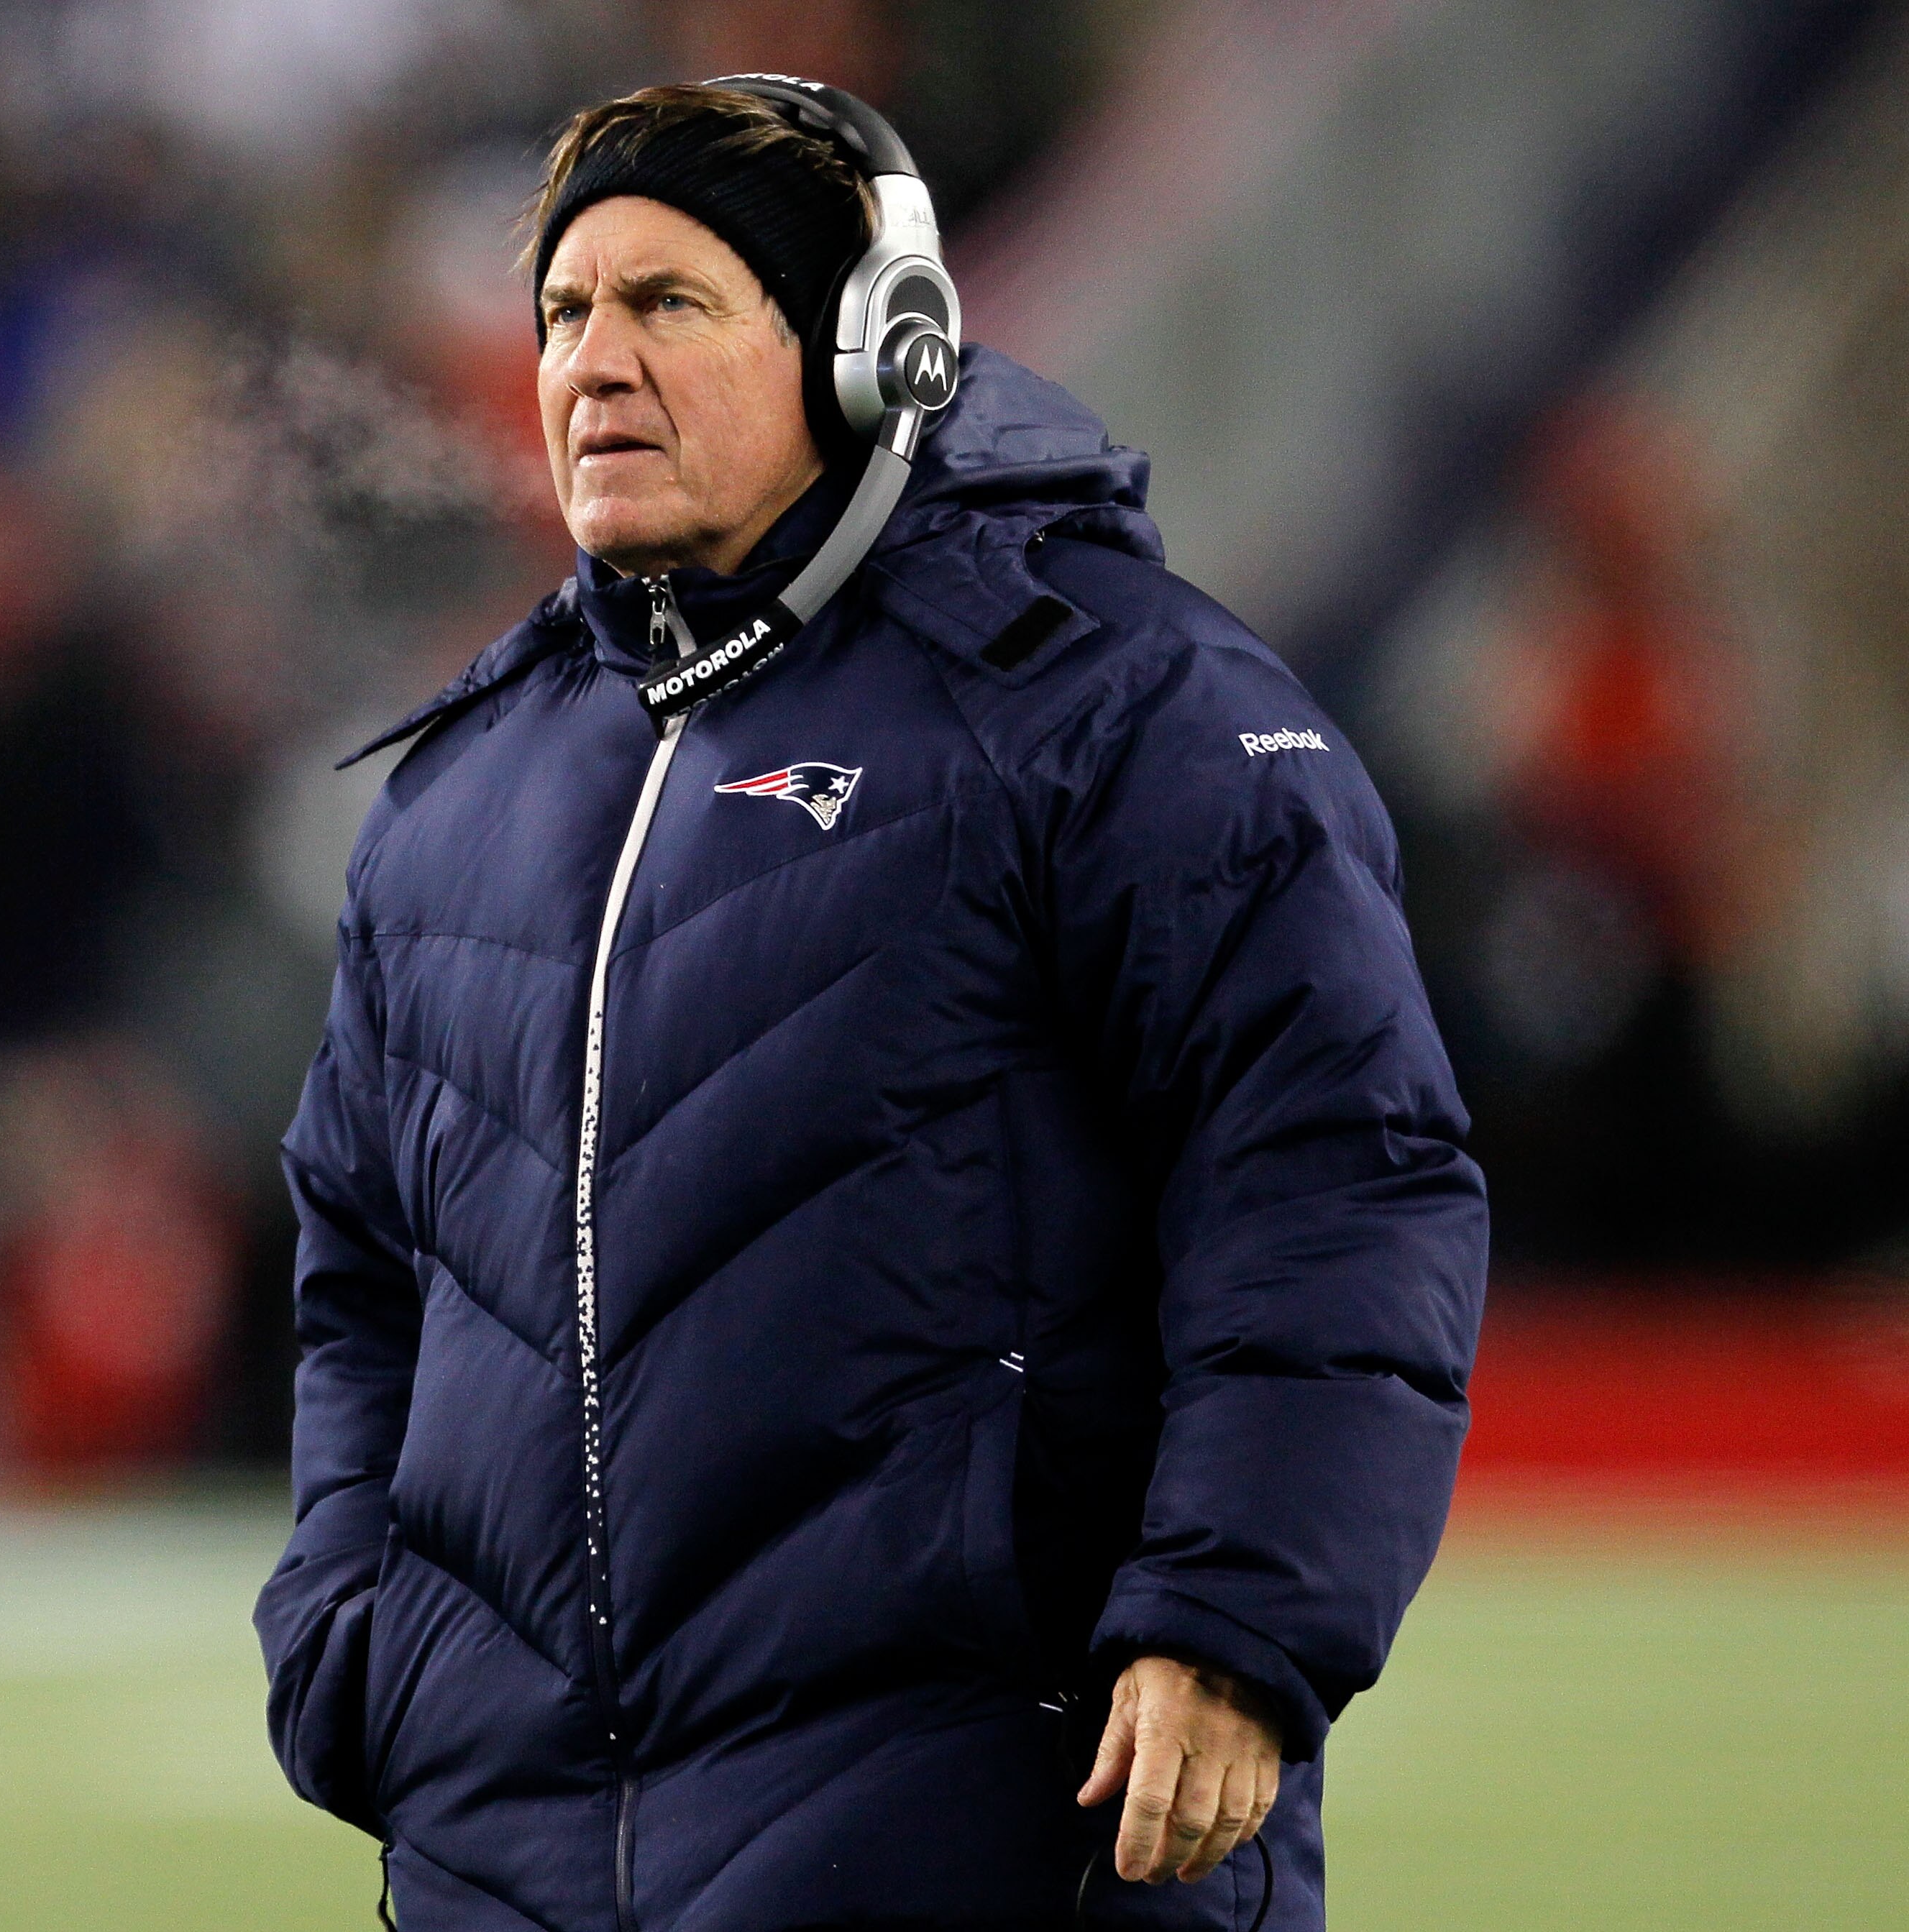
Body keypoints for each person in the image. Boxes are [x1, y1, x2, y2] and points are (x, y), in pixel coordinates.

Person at [257, 81, 1485, 1931]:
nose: (590, 359)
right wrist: (361, 1645)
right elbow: (360, 1278)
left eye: (666, 301)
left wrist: (1237, 1621)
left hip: (992, 1828)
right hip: (510, 1865)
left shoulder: (1117, 704)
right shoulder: (462, 793)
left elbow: (1331, 1178)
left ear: (873, 347)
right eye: (560, 314)